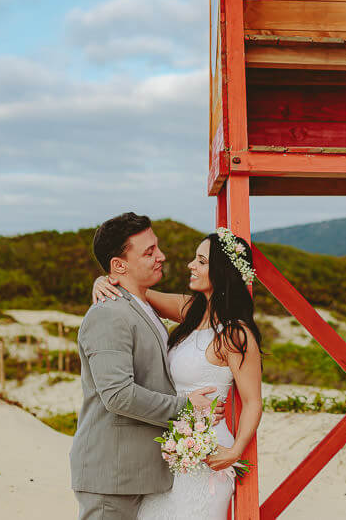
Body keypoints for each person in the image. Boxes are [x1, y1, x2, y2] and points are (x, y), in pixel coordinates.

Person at [91, 227, 263, 520]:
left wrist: (234, 451)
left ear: (221, 272)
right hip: (169, 450)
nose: (190, 265)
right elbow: (135, 291)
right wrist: (103, 280)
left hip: (207, 452)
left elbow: (254, 401)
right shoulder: (190, 310)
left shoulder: (236, 335)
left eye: (201, 261)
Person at [71, 212, 222, 520]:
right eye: (149, 251)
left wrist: (108, 279)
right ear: (119, 265)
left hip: (138, 473)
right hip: (111, 476)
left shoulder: (140, 306)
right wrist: (185, 408)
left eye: (158, 247)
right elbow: (118, 395)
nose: (161, 256)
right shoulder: (108, 314)